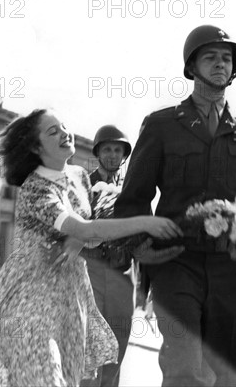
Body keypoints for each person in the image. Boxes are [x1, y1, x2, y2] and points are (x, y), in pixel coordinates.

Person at [114, 25, 236, 387]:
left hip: (232, 264)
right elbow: (133, 198)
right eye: (210, 57)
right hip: (175, 259)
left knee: (227, 365)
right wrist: (139, 247)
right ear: (191, 67)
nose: (220, 64)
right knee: (184, 361)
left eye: (227, 59)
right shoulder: (161, 125)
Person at [0, 109, 182, 387]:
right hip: (33, 296)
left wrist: (79, 238)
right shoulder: (35, 188)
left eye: (63, 126)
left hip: (73, 296)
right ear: (35, 146)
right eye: (52, 131)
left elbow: (89, 225)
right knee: (45, 377)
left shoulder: (79, 176)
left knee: (76, 376)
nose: (65, 133)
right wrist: (145, 223)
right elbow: (85, 228)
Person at [79, 125, 133, 387]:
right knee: (92, 346)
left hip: (123, 276)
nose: (112, 155)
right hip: (91, 272)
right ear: (98, 153)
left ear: (124, 155)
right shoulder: (82, 186)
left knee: (118, 347)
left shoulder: (131, 191)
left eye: (117, 150)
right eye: (107, 149)